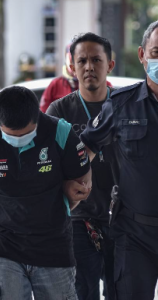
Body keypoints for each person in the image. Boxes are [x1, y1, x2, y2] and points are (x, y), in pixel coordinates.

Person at [0, 85, 92, 300]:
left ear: (38, 116)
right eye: (11, 135)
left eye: (27, 133)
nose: (19, 139)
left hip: (54, 247)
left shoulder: (59, 131)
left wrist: (63, 201)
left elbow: (81, 180)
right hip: (3, 247)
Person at [80, 20, 158, 300]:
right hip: (134, 234)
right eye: (157, 52)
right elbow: (86, 147)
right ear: (142, 55)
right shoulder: (122, 103)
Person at [46, 32, 117, 300]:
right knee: (82, 292)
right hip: (78, 219)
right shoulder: (59, 111)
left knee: (119, 290)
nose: (89, 67)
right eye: (82, 61)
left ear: (110, 65)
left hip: (122, 218)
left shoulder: (126, 104)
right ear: (72, 67)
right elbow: (47, 164)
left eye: (96, 60)